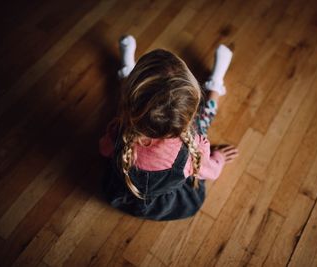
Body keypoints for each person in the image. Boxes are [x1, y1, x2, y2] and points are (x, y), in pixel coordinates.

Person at [99, 35, 239, 220]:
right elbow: (211, 172)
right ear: (189, 113)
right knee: (204, 120)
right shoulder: (192, 147)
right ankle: (215, 84)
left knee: (125, 109)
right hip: (171, 205)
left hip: (125, 197)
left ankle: (127, 71)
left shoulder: (120, 130)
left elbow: (103, 149)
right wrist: (218, 157)